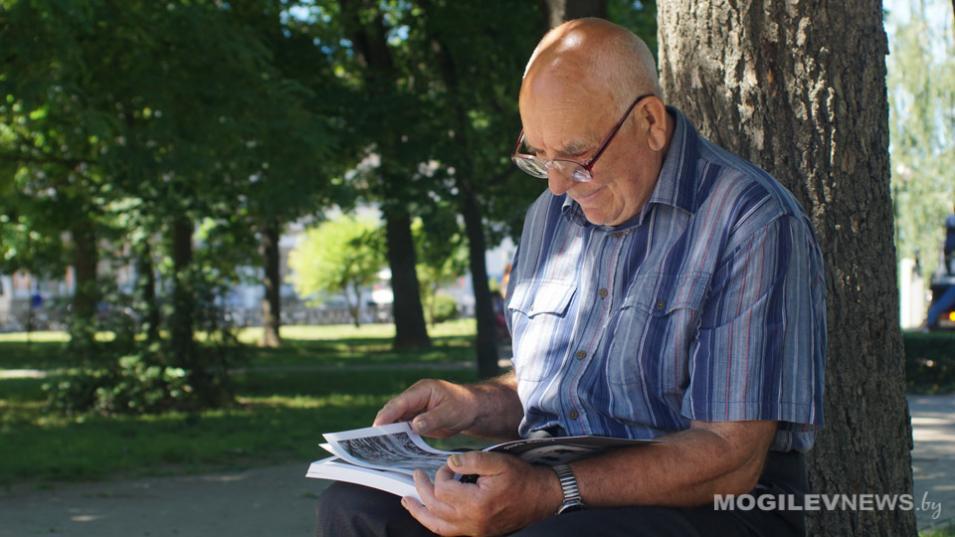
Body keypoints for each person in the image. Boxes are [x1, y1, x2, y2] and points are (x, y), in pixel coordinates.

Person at [316, 18, 826, 537]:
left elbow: (729, 453)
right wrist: (470, 405)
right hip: (557, 472)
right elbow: (561, 387)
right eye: (539, 157)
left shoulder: (751, 221)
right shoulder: (551, 213)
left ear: (649, 121)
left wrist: (546, 492)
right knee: (357, 509)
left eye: (576, 156)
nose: (558, 186)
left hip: (713, 501)